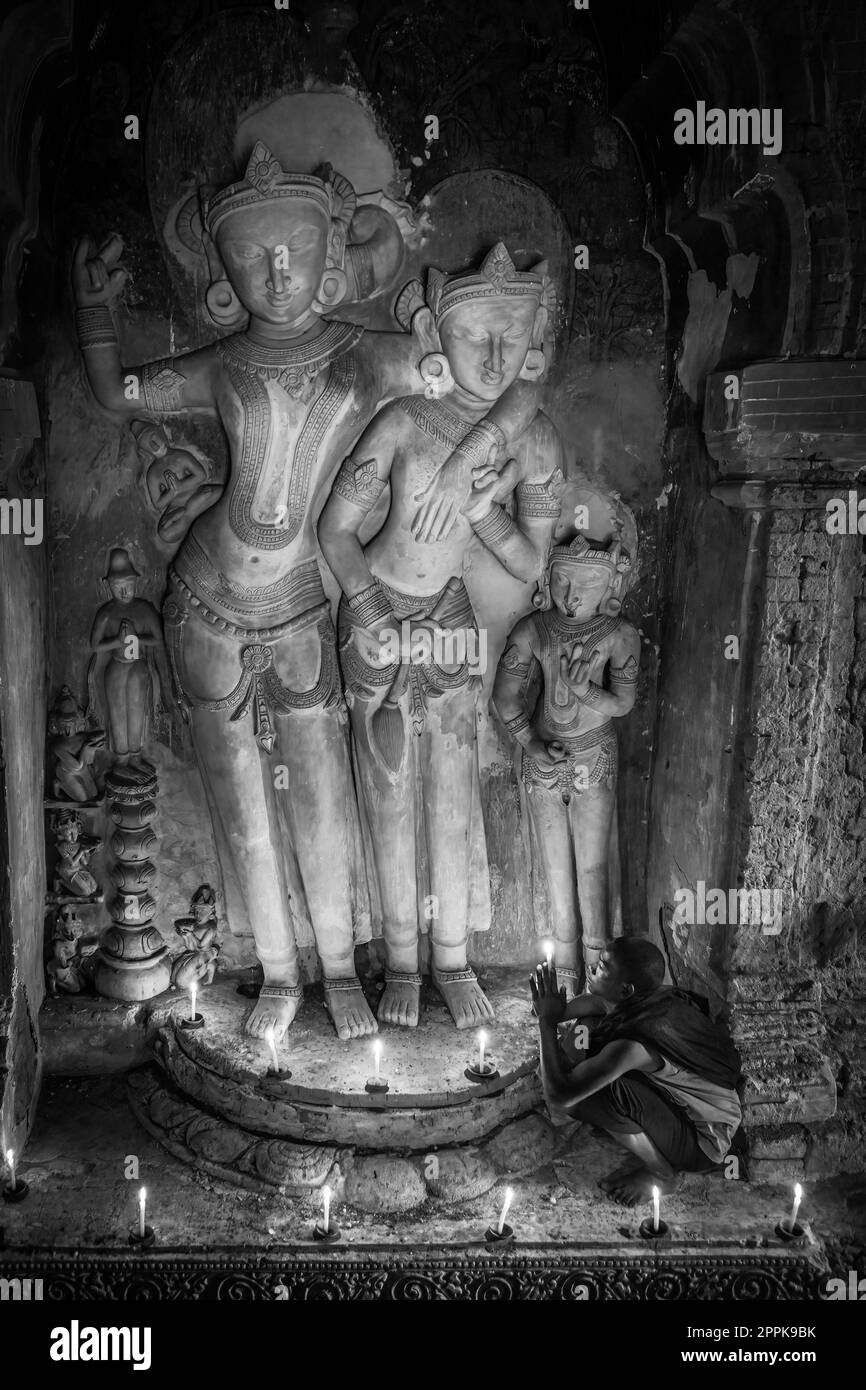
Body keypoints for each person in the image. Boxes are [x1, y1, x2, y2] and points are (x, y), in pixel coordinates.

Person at [531, 938, 742, 1205]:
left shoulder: (634, 1046)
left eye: (603, 966)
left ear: (626, 989)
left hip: (702, 1144)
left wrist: (546, 1022)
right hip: (699, 1112)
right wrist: (555, 1008)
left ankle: (662, 1175)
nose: (593, 966)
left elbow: (560, 1098)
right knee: (593, 1036)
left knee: (593, 1096)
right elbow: (600, 1005)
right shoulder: (653, 996)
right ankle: (633, 1123)